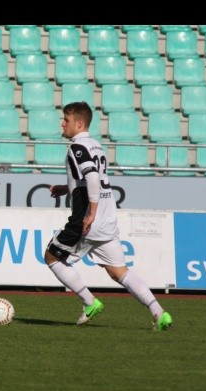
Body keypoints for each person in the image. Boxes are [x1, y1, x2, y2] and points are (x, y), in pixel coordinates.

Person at [44, 101, 173, 331]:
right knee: (119, 272)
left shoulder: (77, 148)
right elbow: (89, 178)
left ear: (79, 123)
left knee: (52, 257)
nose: (62, 123)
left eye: (66, 119)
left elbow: (92, 178)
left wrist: (90, 214)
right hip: (108, 218)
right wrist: (66, 188)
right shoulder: (95, 146)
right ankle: (159, 313)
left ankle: (89, 302)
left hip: (88, 219)